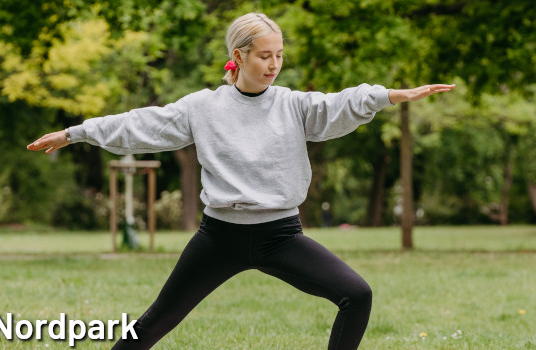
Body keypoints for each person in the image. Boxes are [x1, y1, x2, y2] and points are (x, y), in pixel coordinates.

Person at [27, 12, 453, 350]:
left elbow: (338, 104)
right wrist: (75, 132)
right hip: (219, 237)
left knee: (357, 295)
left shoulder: (293, 105)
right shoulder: (203, 107)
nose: (274, 64)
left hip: (282, 235)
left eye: (279, 55)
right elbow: (141, 124)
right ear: (240, 55)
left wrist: (388, 95)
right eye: (265, 55)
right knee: (156, 321)